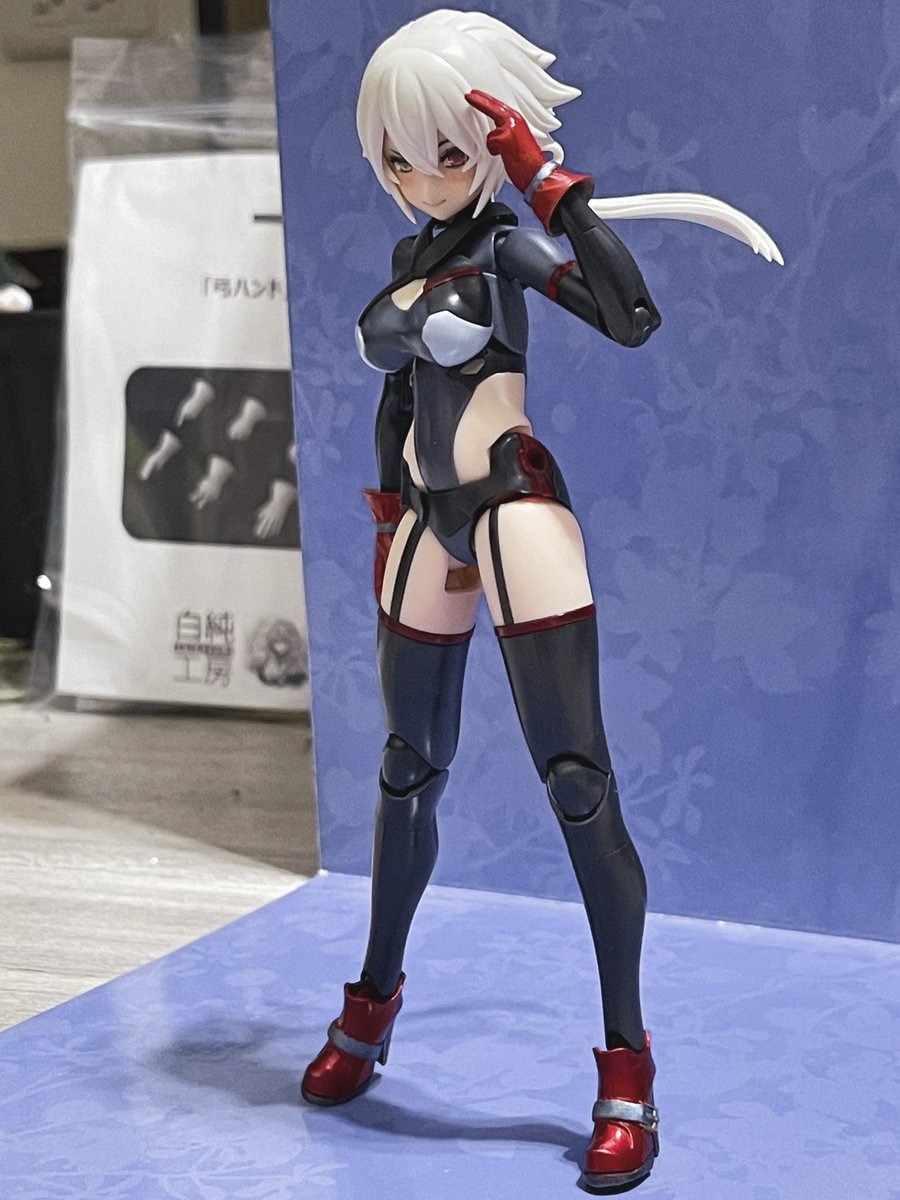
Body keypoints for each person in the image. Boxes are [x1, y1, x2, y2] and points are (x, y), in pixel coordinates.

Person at [300, 11, 781, 1192]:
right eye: (399, 157)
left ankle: (627, 1064)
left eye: (448, 154)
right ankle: (371, 1001)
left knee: (577, 783)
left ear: (492, 145)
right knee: (406, 771)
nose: (422, 179)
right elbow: (399, 386)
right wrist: (390, 501)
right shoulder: (410, 256)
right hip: (427, 516)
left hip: (513, 506)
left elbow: (631, 317)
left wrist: (547, 185)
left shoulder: (510, 246)